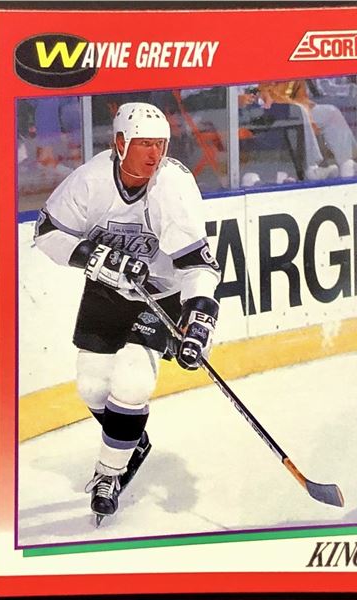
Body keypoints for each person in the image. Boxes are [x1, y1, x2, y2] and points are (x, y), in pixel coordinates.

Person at [33, 102, 221, 524]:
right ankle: (131, 440)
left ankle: (108, 474)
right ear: (120, 143)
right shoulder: (91, 180)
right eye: (144, 144)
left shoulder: (173, 186)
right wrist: (96, 257)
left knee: (133, 381)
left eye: (161, 144)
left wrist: (199, 319)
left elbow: (198, 265)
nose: (155, 154)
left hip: (160, 294)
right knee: (91, 387)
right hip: (107, 292)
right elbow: (46, 232)